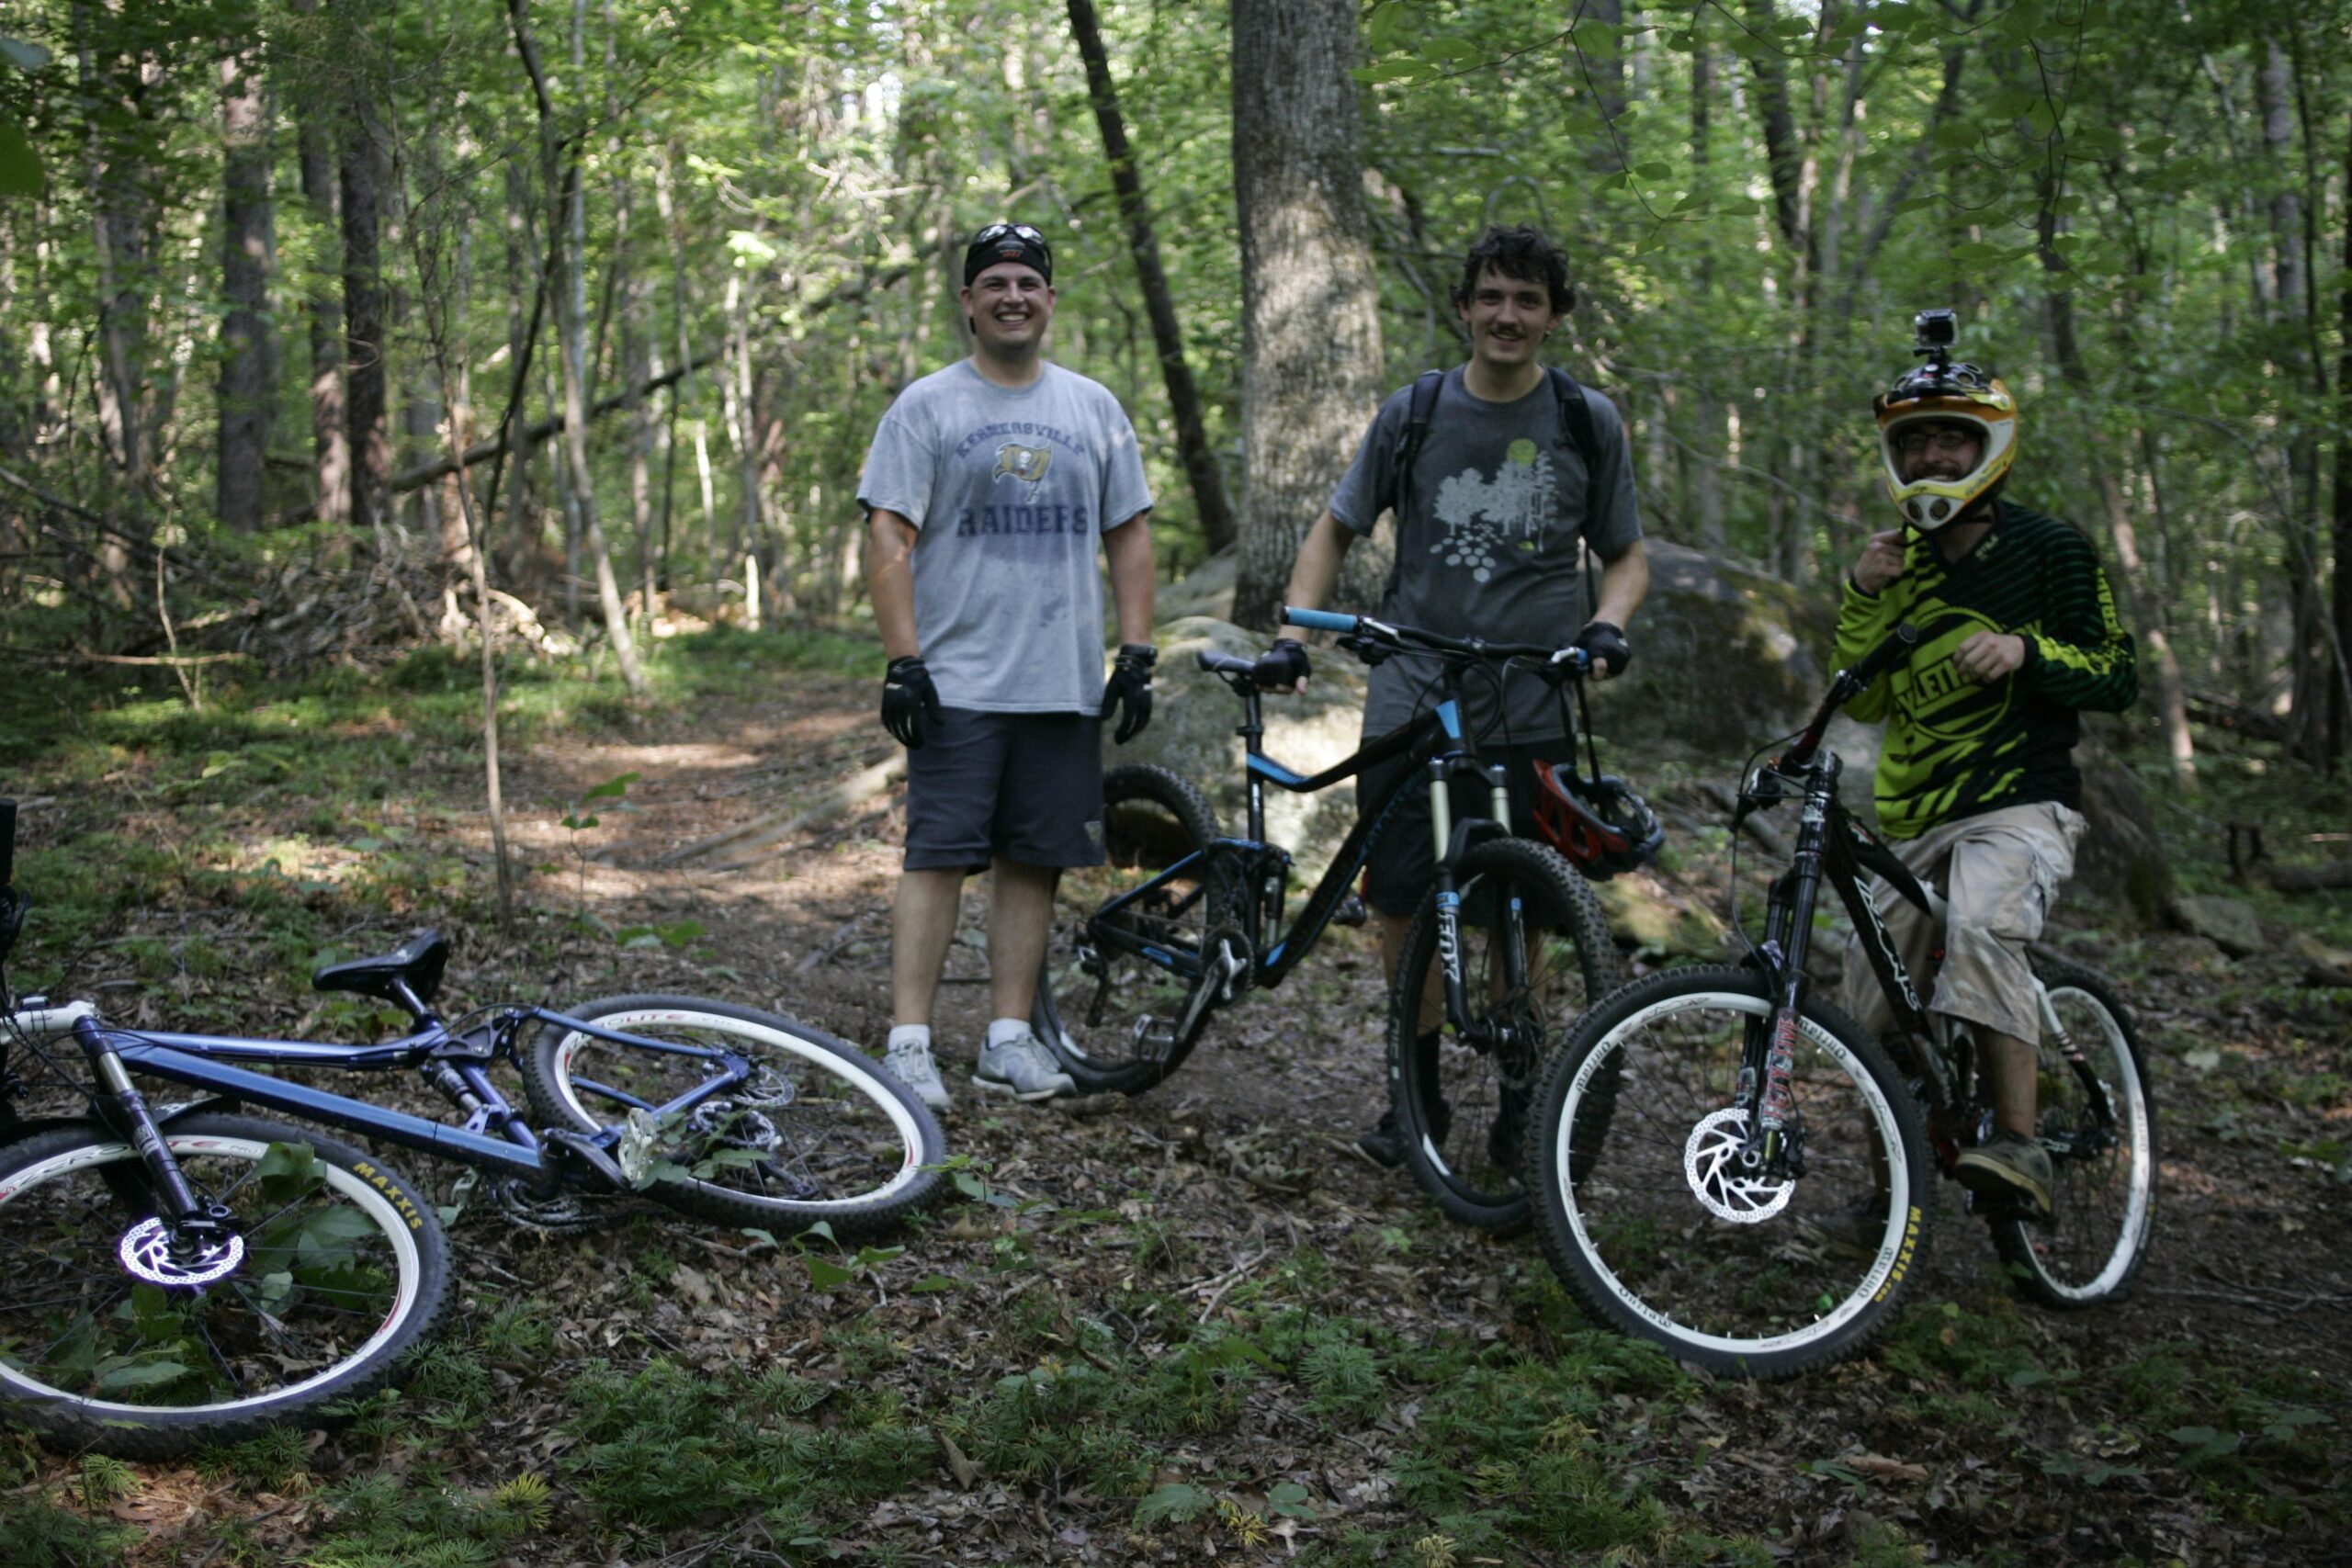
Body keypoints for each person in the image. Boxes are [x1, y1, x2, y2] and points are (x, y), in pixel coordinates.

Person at [1273, 224, 1650, 1168]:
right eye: (1490, 297)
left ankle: (1522, 1095)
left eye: (1527, 300)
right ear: (1463, 308)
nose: (1506, 316)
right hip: (1413, 690)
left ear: (1553, 316)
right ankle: (1417, 1095)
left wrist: (1606, 624)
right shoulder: (1414, 412)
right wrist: (1294, 630)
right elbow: (1332, 530)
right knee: (1400, 899)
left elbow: (1626, 557)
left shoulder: (1581, 419)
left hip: (1529, 697)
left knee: (1518, 899)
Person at [1835, 313, 2138, 1216]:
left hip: (2021, 803)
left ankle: (2020, 1145)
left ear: (1988, 445)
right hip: (1912, 817)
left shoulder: (2050, 550)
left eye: (1950, 436)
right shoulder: (1896, 564)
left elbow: (2117, 673)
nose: (1931, 453)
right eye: (1914, 439)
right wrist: (1860, 595)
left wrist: (2026, 650)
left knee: (1981, 923)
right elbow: (1861, 700)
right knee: (1864, 997)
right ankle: (1890, 1186)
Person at [858, 222, 1157, 1111]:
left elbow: (1129, 531)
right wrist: (903, 661)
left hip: (1061, 678)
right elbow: (888, 532)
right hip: (960, 677)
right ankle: (910, 1044)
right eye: (996, 283)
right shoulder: (928, 406)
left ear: (1051, 299)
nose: (1014, 296)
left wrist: (1136, 652)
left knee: (1034, 861)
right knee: (938, 854)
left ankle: (1007, 1037)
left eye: (1029, 281)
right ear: (969, 302)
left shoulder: (1093, 408)